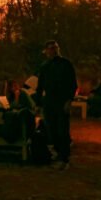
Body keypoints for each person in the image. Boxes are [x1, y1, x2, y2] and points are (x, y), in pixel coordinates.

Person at [35, 40, 78, 169]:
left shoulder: (66, 64)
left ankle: (64, 158)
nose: (52, 51)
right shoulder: (45, 66)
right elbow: (40, 86)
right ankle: (59, 154)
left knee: (62, 130)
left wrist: (69, 100)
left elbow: (73, 84)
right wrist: (38, 103)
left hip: (62, 101)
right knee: (51, 130)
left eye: (54, 48)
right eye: (50, 48)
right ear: (46, 51)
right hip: (49, 101)